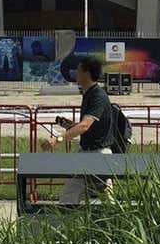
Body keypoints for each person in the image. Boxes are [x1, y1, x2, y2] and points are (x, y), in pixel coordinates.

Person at [39, 57, 117, 205]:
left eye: (78, 71)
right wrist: (71, 126)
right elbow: (86, 126)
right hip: (90, 153)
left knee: (78, 192)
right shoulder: (89, 94)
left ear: (87, 74)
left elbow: (85, 126)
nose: (75, 74)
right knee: (78, 192)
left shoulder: (97, 96)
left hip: (97, 154)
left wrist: (57, 139)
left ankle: (66, 221)